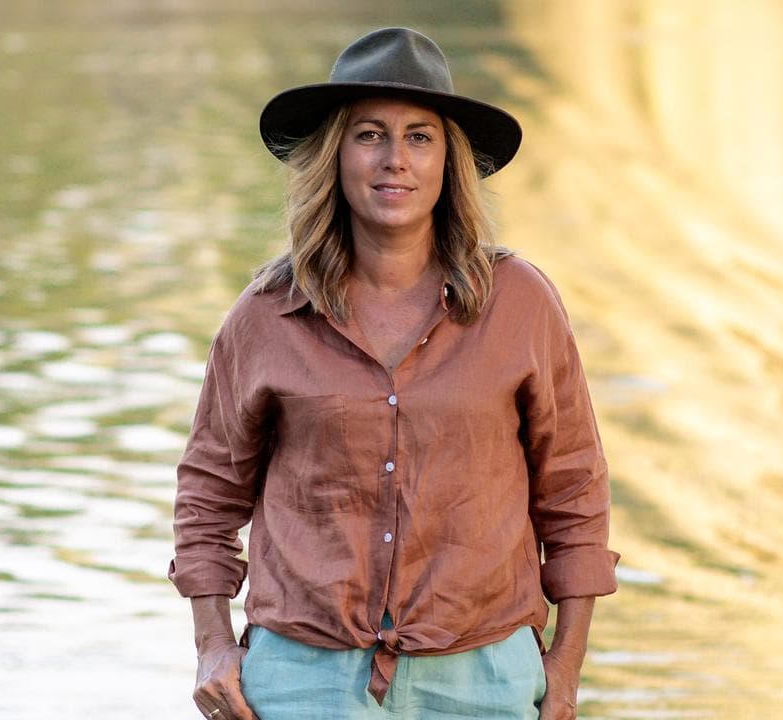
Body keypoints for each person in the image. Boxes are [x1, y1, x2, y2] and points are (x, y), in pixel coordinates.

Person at [168, 27, 619, 720]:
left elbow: (574, 491)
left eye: (419, 137)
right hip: (299, 679)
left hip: (483, 679)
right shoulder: (264, 317)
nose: (393, 160)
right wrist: (211, 645)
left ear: (449, 162)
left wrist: (564, 669)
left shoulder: (520, 304)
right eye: (369, 134)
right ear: (335, 156)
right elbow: (208, 494)